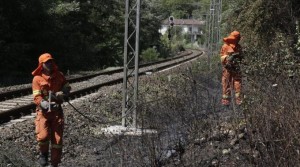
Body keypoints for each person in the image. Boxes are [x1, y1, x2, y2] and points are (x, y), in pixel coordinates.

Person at [32, 53, 71, 167]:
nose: (50, 64)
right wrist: (44, 104)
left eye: (51, 61)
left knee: (57, 141)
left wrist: (63, 92)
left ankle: (55, 163)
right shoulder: (37, 79)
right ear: (41, 65)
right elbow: (37, 97)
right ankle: (43, 154)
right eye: (47, 62)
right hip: (43, 113)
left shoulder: (59, 75)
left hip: (57, 113)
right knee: (43, 136)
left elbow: (67, 87)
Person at [220, 31, 243, 106]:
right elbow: (222, 58)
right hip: (229, 67)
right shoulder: (226, 46)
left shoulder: (237, 47)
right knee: (227, 83)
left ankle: (236, 100)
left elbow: (241, 57)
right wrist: (229, 58)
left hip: (235, 67)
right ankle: (227, 101)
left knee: (235, 82)